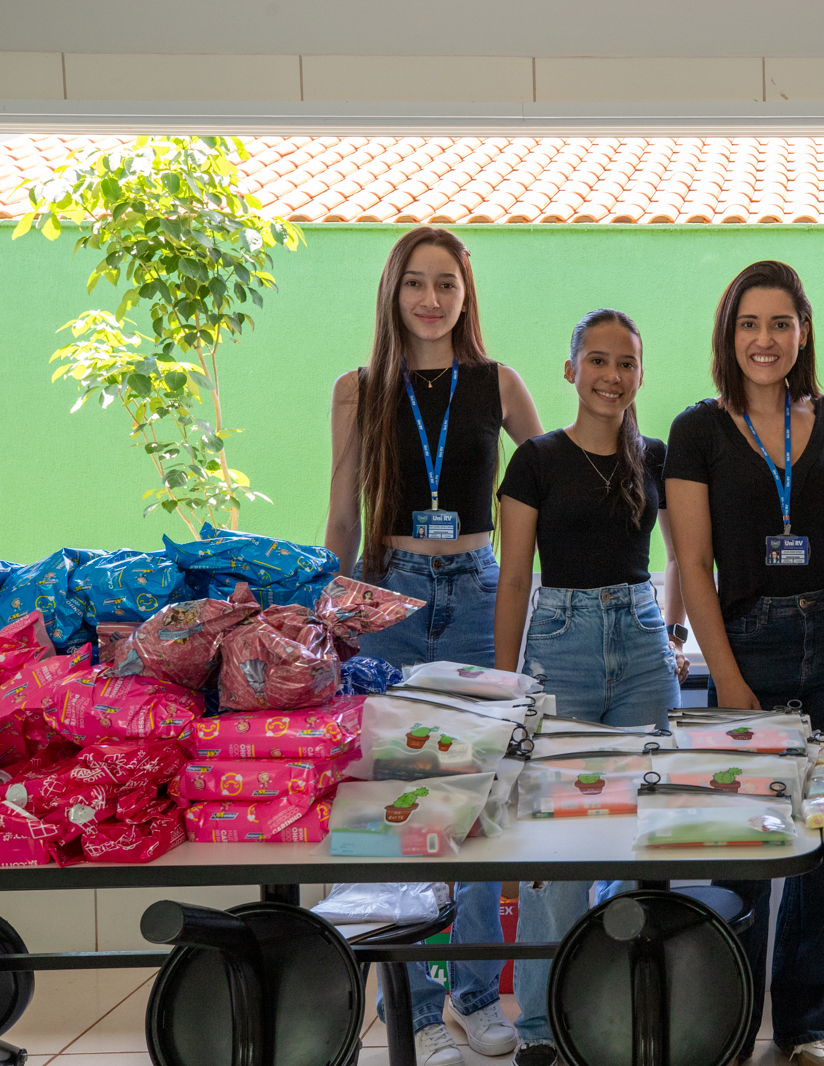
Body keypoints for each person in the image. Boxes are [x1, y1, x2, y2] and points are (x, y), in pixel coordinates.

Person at [325, 225, 543, 1066]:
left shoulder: (497, 383)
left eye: (445, 283)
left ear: (465, 293)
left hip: (482, 595)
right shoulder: (358, 390)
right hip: (390, 599)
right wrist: (328, 619)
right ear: (393, 291)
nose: (430, 298)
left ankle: (476, 994)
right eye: (415, 282)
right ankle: (412, 1006)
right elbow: (342, 516)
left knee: (478, 802)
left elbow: (552, 483)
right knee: (399, 807)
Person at [665, 260, 824, 1066]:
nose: (766, 340)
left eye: (781, 324)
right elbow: (692, 564)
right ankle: (728, 1025)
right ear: (729, 334)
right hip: (746, 641)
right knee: (744, 838)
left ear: (803, 332)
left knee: (823, 841)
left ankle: (807, 1026)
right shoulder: (697, 429)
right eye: (750, 324)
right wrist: (724, 676)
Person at [493, 308, 690, 1066]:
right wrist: (507, 686)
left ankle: (624, 1007)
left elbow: (683, 559)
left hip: (641, 643)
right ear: (571, 369)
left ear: (640, 374)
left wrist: (674, 636)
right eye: (598, 360)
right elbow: (515, 580)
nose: (612, 375)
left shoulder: (657, 457)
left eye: (626, 363)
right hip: (560, 642)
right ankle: (542, 1029)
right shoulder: (536, 459)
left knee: (648, 829)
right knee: (556, 841)